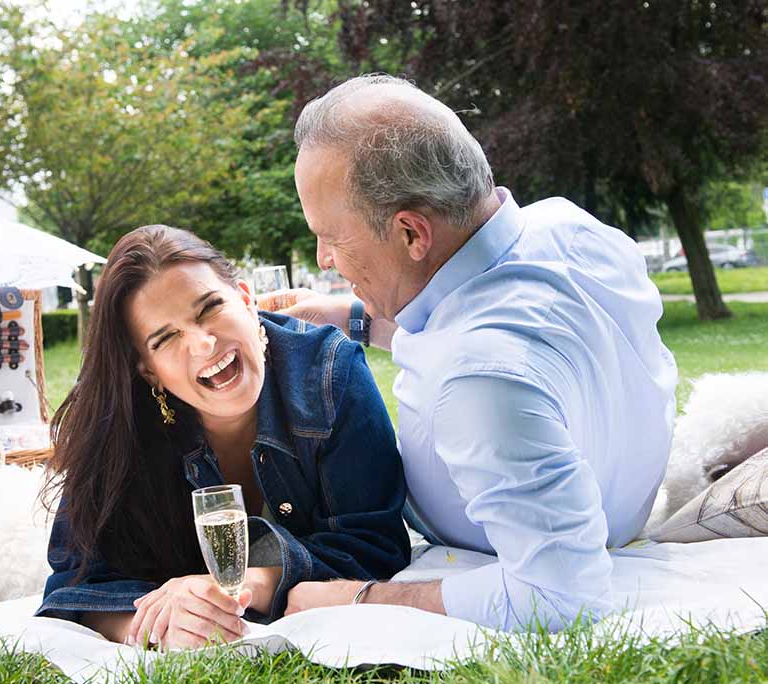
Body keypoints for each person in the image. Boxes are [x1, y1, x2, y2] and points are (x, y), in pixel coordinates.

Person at [271, 75, 678, 631]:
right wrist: (353, 317)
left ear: (413, 233)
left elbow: (561, 597)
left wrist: (358, 598)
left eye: (331, 237)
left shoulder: (480, 387)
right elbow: (501, 326)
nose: (323, 259)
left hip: (518, 550)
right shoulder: (569, 227)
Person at [35, 225, 410, 650]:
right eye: (165, 338)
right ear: (149, 370)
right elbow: (74, 583)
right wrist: (157, 621)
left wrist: (243, 586)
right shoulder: (120, 424)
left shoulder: (329, 373)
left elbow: (376, 544)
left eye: (209, 308)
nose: (202, 344)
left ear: (247, 301)